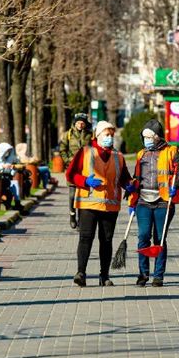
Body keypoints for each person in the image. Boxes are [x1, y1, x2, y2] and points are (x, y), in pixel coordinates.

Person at [65, 121, 135, 287]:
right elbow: (70, 174)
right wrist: (85, 181)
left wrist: (130, 185)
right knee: (86, 238)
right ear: (98, 135)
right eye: (106, 134)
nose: (109, 137)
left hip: (110, 205)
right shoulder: (85, 152)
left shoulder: (118, 156)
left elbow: (124, 177)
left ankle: (104, 276)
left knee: (106, 240)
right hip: (88, 204)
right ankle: (81, 273)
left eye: (111, 135)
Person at [128, 119, 179, 287]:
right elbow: (137, 178)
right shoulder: (141, 154)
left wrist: (175, 186)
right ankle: (143, 273)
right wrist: (131, 195)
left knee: (159, 238)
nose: (146, 140)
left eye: (149, 137)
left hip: (163, 202)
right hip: (143, 202)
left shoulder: (171, 152)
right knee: (143, 236)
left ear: (157, 137)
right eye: (144, 137)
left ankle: (158, 275)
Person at [60, 113, 92, 229]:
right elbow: (62, 149)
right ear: (75, 123)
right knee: (72, 195)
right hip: (72, 168)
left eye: (82, 123)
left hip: (85, 168)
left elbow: (94, 149)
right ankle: (72, 215)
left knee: (82, 196)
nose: (80, 125)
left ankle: (80, 220)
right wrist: (68, 160)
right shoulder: (68, 134)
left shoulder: (90, 135)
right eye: (78, 122)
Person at [0, 142, 22, 210]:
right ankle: (17, 203)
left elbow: (12, 174)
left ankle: (17, 203)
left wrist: (14, 169)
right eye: (7, 151)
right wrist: (2, 166)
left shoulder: (7, 160)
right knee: (13, 184)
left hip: (6, 180)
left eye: (9, 151)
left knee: (14, 184)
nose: (8, 153)